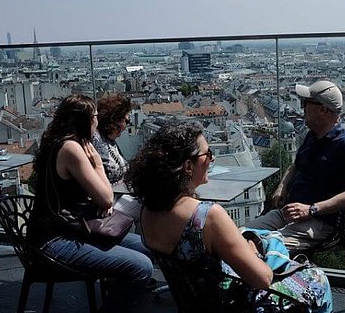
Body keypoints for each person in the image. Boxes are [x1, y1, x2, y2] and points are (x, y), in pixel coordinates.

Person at [125, 120, 332, 312]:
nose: (212, 158)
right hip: (235, 303)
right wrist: (253, 250)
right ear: (188, 166)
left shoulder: (147, 211)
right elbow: (263, 279)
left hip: (192, 303)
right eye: (208, 153)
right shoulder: (206, 216)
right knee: (318, 280)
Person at [27, 94, 153, 312]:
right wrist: (96, 163)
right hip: (56, 240)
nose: (98, 121)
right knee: (141, 266)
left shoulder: (57, 143)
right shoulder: (72, 149)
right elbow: (105, 197)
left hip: (66, 229)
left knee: (148, 248)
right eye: (95, 116)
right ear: (84, 120)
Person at [246, 80, 345, 251]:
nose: (302, 108)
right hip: (290, 211)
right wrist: (282, 186)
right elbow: (295, 165)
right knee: (239, 236)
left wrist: (312, 210)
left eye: (306, 103)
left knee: (262, 247)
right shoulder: (312, 136)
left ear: (323, 109)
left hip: (320, 221)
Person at [92, 93, 141, 223]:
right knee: (152, 208)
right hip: (106, 205)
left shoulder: (109, 141)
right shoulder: (96, 140)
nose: (127, 126)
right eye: (127, 120)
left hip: (118, 198)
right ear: (116, 120)